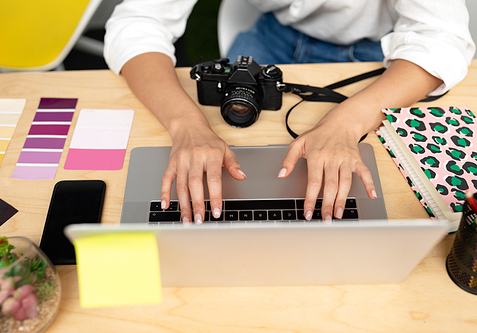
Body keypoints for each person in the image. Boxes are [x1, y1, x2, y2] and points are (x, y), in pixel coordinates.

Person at [104, 0, 475, 224]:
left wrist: (345, 123)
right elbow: (136, 22)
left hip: (374, 49)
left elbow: (441, 39)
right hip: (273, 34)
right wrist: (187, 126)